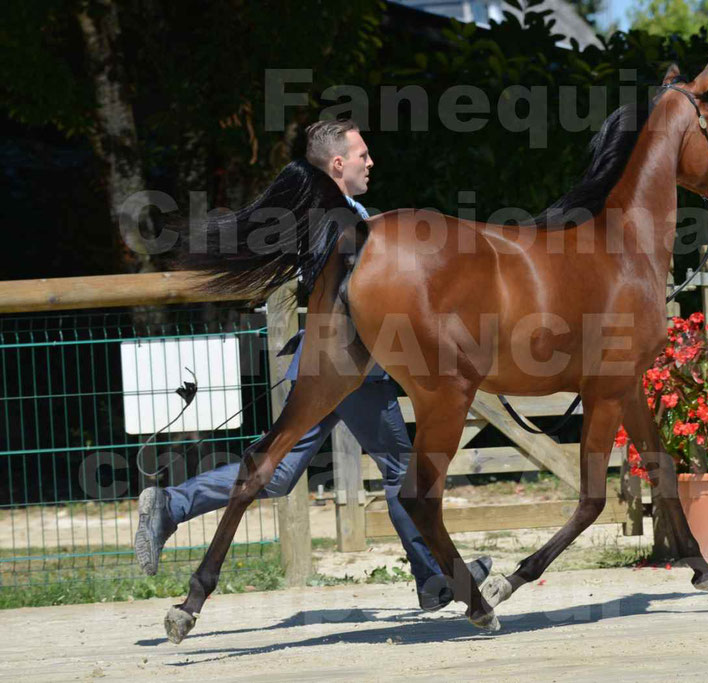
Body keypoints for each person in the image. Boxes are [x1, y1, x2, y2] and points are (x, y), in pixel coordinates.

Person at [135, 120, 490, 611]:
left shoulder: (336, 215)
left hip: (324, 364)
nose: (371, 162)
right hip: (353, 366)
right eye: (362, 154)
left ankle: (171, 505)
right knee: (400, 469)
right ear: (338, 163)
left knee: (279, 475)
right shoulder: (338, 219)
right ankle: (435, 579)